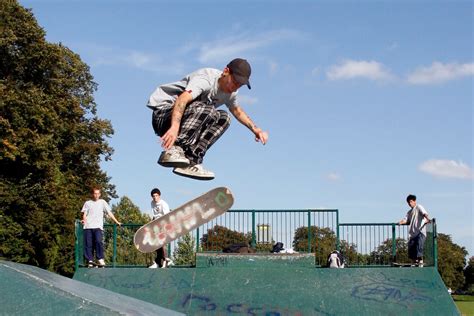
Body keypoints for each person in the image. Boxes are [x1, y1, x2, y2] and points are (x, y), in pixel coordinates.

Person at [147, 58, 269, 180]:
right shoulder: (206, 79)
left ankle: (192, 161)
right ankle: (174, 149)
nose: (235, 88)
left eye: (240, 85)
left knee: (224, 118)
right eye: (235, 82)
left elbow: (237, 111)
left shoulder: (231, 93)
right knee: (208, 109)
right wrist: (174, 127)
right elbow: (182, 100)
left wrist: (256, 130)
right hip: (164, 115)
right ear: (226, 71)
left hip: (185, 121)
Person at [81, 187, 121, 267]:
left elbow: (109, 213)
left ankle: (100, 259)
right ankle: (90, 260)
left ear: (100, 194)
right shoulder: (87, 203)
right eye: (95, 193)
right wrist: (84, 220)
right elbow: (84, 214)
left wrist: (116, 221)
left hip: (98, 226)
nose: (96, 195)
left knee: (98, 241)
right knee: (88, 244)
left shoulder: (102, 202)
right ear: (93, 194)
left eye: (97, 194)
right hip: (88, 226)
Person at [398, 194, 431, 267]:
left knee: (419, 246)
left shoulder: (419, 207)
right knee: (411, 248)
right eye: (408, 203)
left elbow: (424, 213)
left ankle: (420, 261)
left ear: (414, 201)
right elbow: (406, 220)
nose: (410, 204)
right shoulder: (409, 212)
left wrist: (428, 219)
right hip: (413, 234)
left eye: (411, 202)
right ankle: (415, 262)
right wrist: (400, 222)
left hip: (420, 231)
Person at [148, 188, 172, 268]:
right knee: (156, 243)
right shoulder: (152, 203)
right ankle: (158, 262)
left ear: (159, 196)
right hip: (156, 224)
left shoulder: (163, 204)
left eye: (156, 196)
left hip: (164, 224)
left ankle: (166, 260)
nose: (155, 198)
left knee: (162, 242)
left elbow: (166, 217)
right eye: (153, 196)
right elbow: (154, 215)